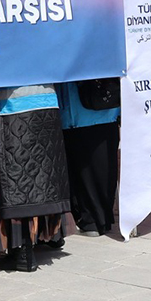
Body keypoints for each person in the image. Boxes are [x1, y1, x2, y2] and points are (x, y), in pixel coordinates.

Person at [0, 84, 70, 272]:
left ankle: (22, 252)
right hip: (46, 100)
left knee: (16, 181)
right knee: (44, 178)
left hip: (11, 106)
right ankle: (50, 236)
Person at [58, 81, 119, 236]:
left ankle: (92, 220)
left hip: (80, 109)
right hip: (101, 105)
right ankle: (97, 220)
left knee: (82, 169)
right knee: (98, 168)